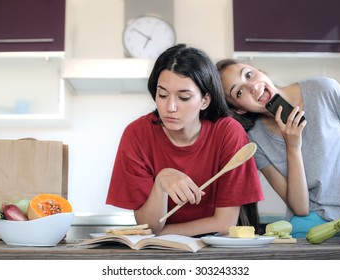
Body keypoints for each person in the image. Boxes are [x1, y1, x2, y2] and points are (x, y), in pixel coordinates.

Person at [106, 44, 263, 236]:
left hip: (216, 249)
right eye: (162, 95)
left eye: (184, 97)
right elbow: (148, 225)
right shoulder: (137, 134)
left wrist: (161, 233)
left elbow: (224, 224)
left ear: (205, 100)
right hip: (161, 252)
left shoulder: (228, 133)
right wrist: (161, 184)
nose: (170, 107)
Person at [216, 58, 340, 237]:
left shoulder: (325, 90)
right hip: (309, 224)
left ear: (260, 70)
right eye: (239, 92)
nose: (253, 87)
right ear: (239, 109)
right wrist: (292, 147)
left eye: (249, 74)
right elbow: (300, 208)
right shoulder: (254, 140)